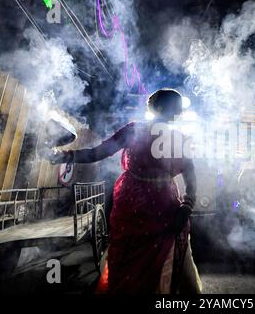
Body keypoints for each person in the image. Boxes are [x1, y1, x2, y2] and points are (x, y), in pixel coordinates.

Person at [46, 88, 202, 294]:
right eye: (177, 108)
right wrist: (186, 206)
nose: (178, 113)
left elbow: (97, 153)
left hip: (138, 207)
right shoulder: (173, 137)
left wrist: (66, 156)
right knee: (159, 262)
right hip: (152, 208)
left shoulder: (139, 130)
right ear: (164, 108)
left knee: (132, 264)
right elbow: (190, 176)